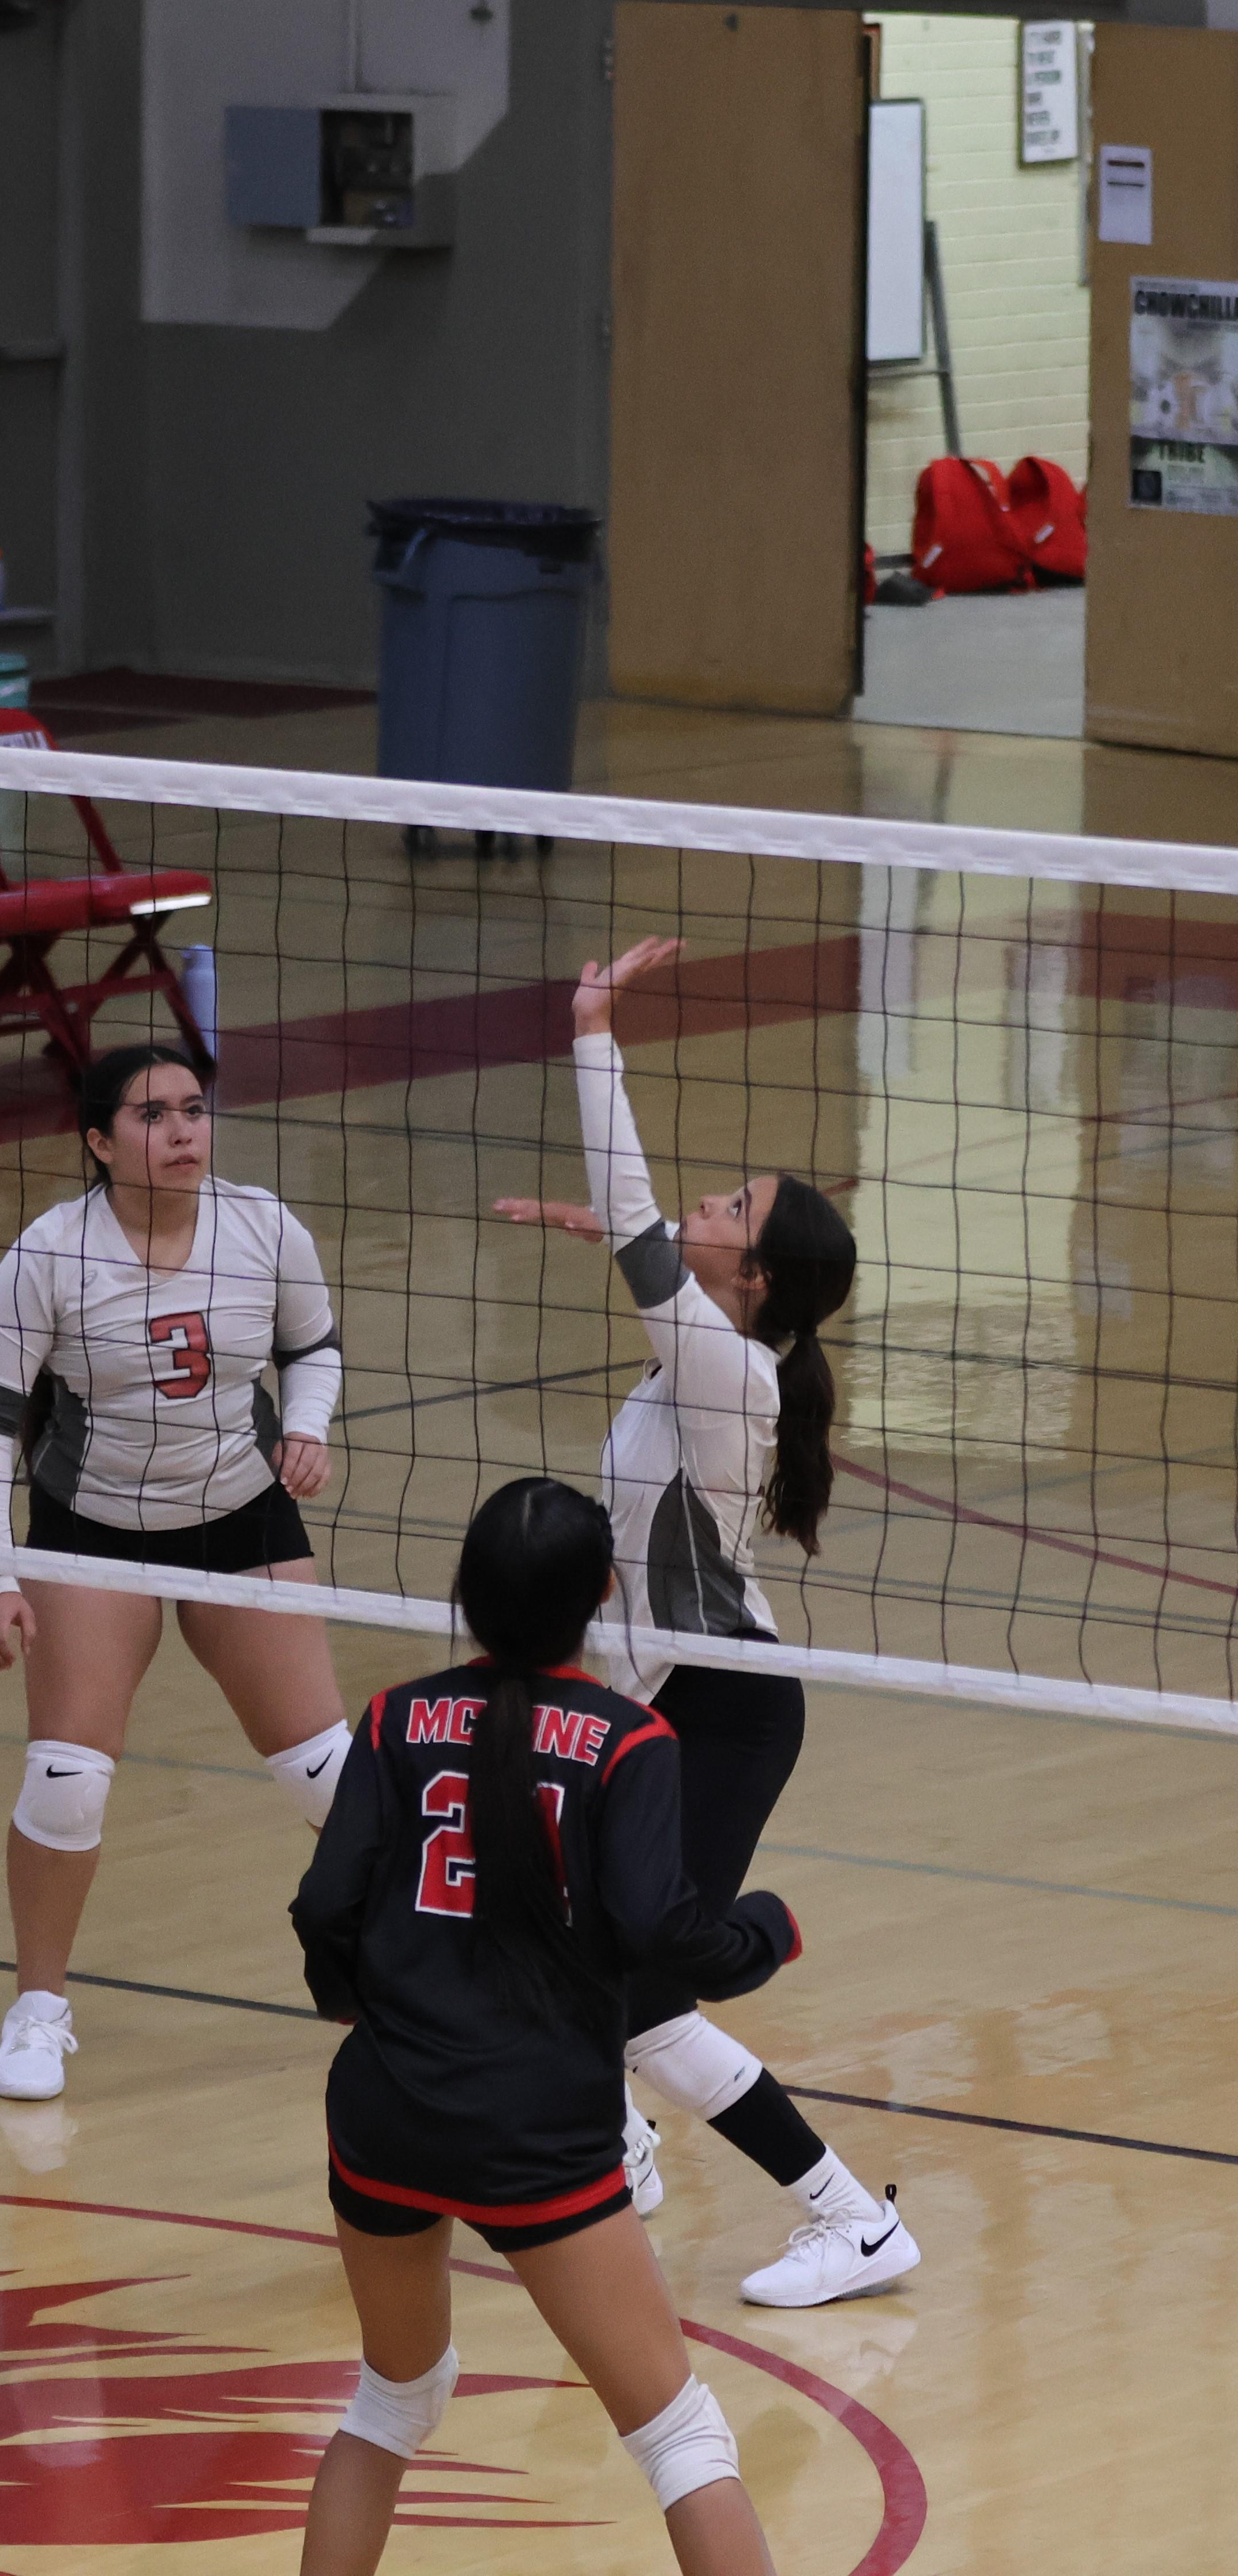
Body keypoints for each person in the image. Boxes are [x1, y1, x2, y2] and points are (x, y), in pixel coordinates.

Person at [494, 937, 920, 2311]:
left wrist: (592, 1032)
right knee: (573, 1952)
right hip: (661, 1698)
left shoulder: (733, 1372)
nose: (706, 1196)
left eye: (732, 1203)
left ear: (755, 1281)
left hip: (717, 1706)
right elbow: (638, 1248)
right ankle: (619, 2132)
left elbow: (631, 1215)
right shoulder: (730, 1363)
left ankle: (848, 2218)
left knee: (642, 1986)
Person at [290, 1477, 796, 2576]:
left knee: (391, 2400)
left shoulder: (392, 1718)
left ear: (465, 1592)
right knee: (680, 2436)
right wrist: (764, 1935)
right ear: (604, 1592)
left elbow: (324, 1906)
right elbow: (665, 1929)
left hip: (385, 2107)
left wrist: (370, 2012)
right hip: (536, 2128)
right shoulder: (630, 1741)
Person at [0, 1040, 351, 2103]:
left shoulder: (263, 1224)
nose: (182, 1132)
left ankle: (445, 1986)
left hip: (240, 1517)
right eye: (150, 1115)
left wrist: (306, 1427)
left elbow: (314, 1346)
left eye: (192, 1109)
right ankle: (38, 2011)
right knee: (69, 1780)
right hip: (94, 1530)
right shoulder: (48, 1255)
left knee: (332, 1776)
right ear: (98, 1141)